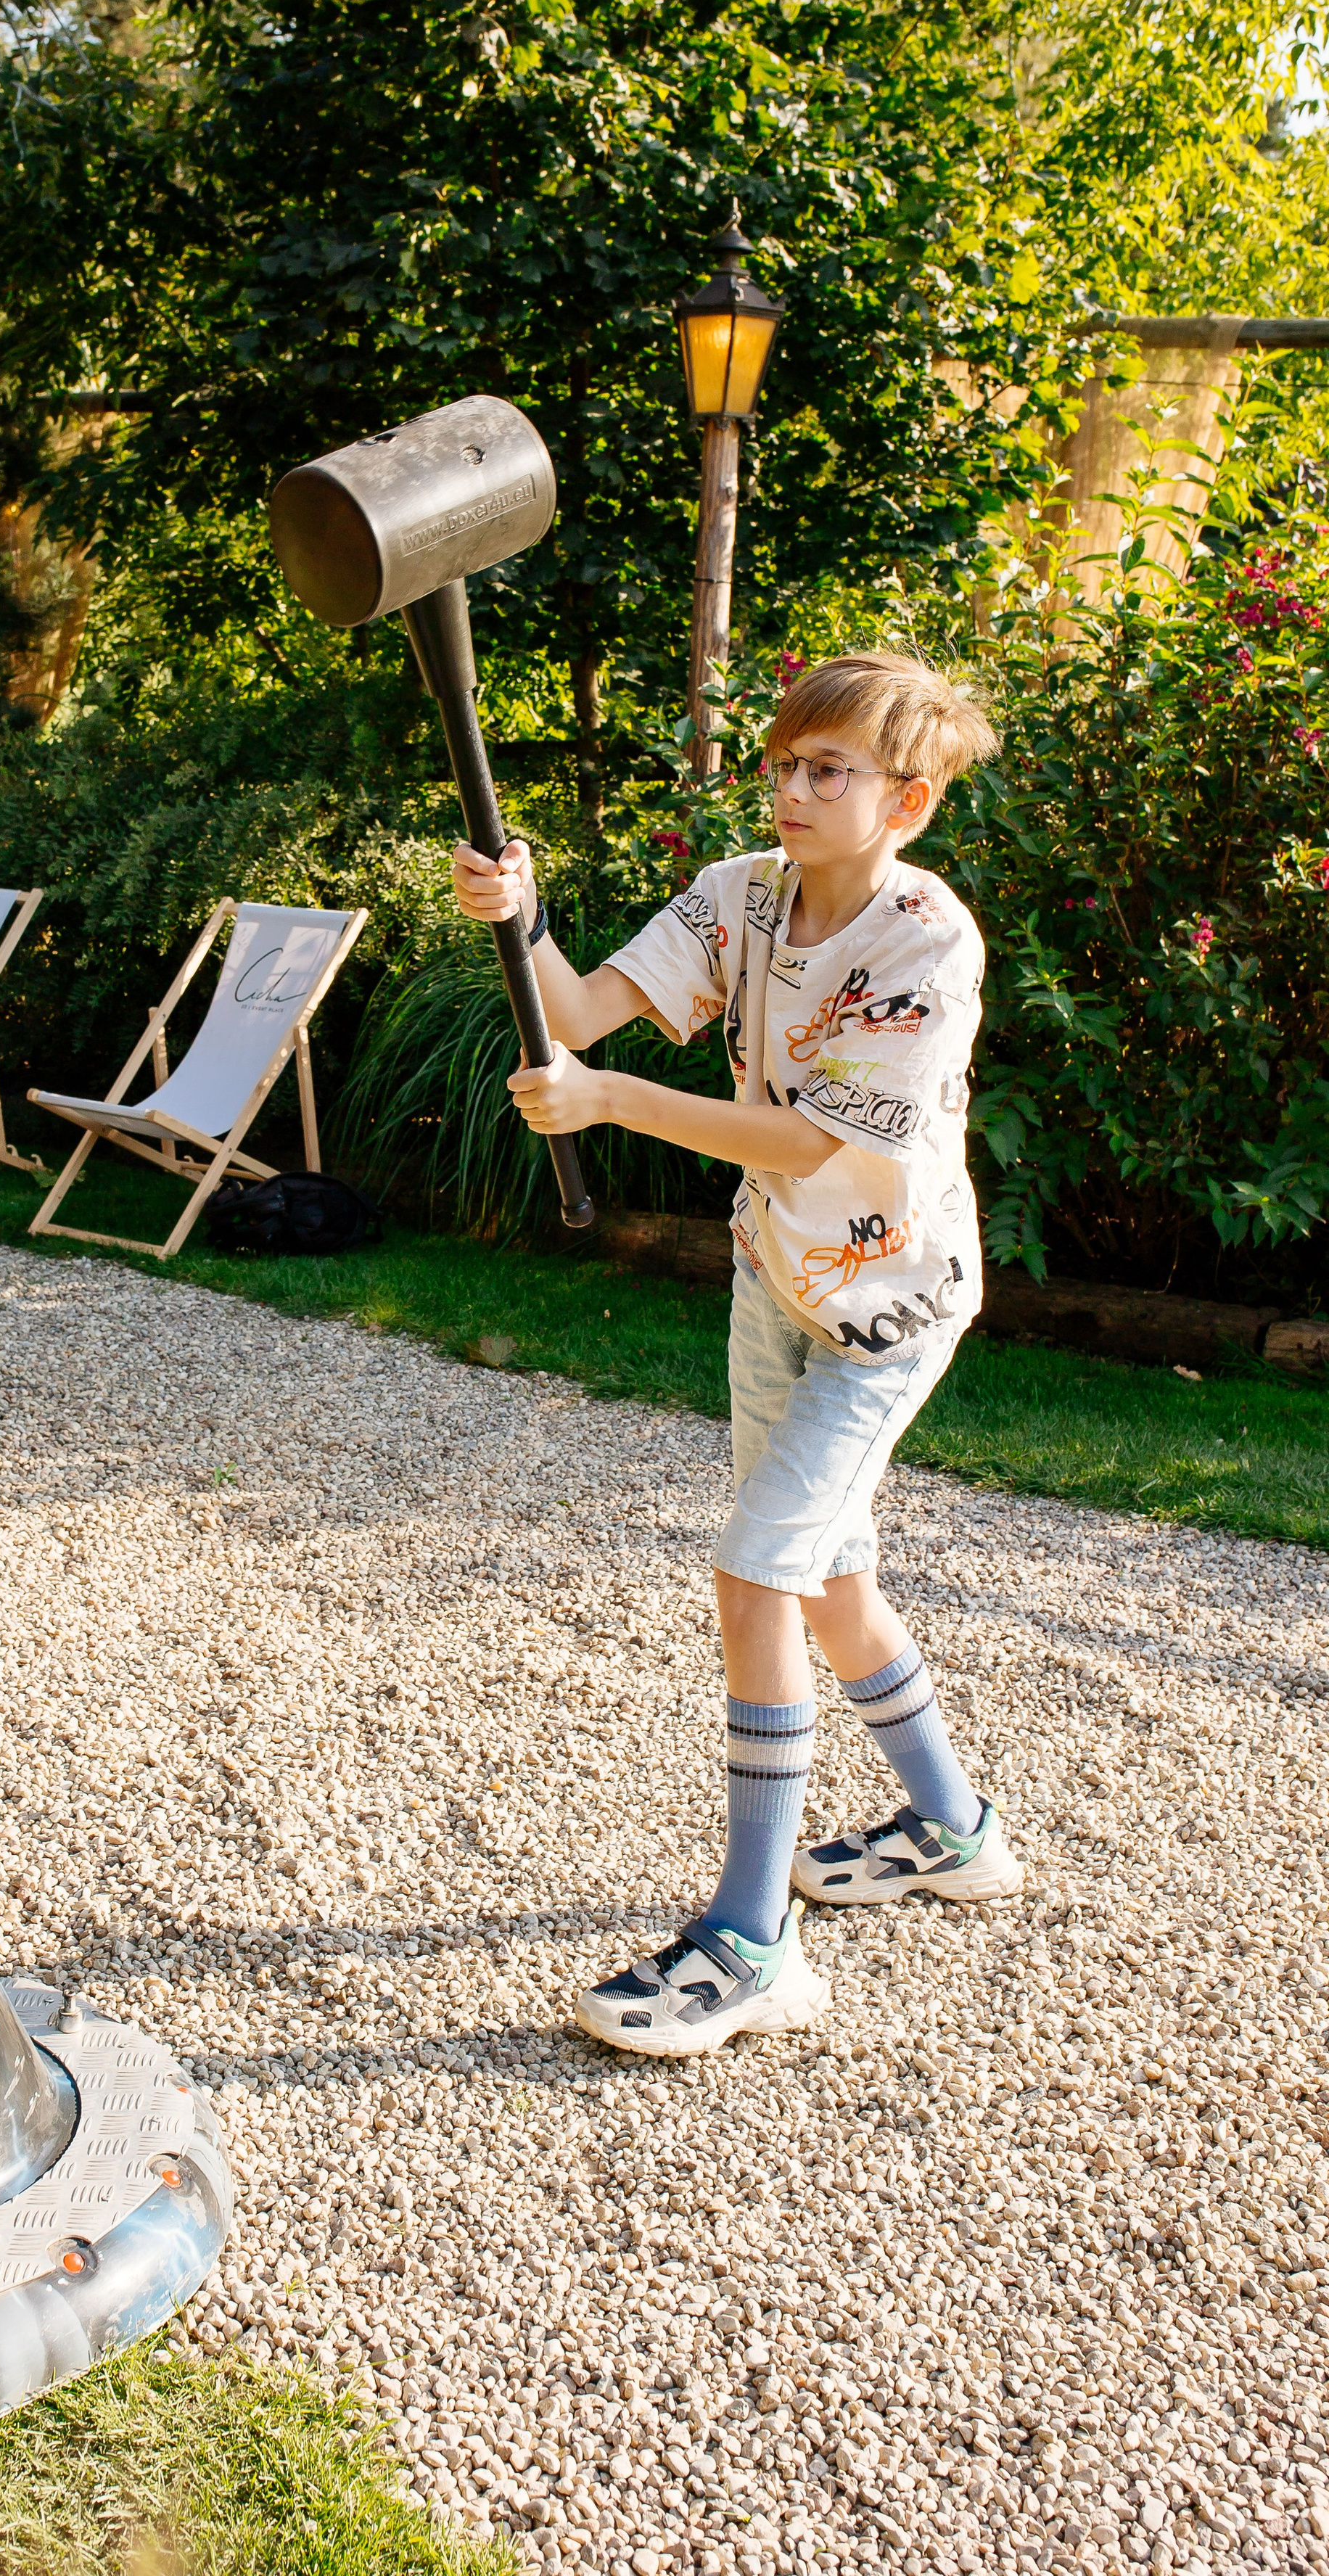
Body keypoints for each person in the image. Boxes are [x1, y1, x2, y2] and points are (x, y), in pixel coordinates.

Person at [450, 651, 1023, 2059]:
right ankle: (953, 1830)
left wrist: (608, 1107)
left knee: (757, 1566)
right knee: (825, 1578)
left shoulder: (920, 943)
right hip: (774, 1279)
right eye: (782, 762)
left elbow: (814, 1138)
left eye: (826, 770)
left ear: (909, 800)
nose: (791, 788)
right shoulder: (737, 895)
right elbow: (574, 1014)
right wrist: (517, 920)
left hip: (888, 1304)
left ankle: (751, 1941)